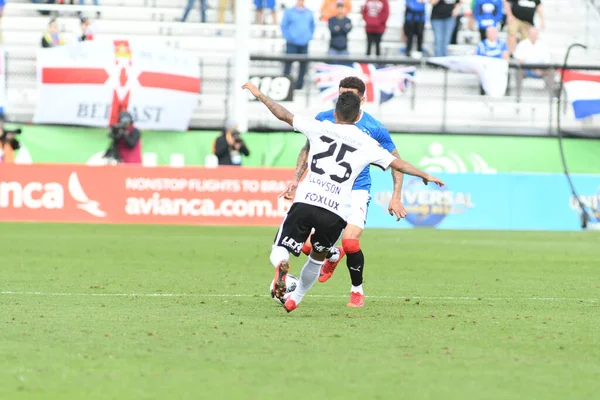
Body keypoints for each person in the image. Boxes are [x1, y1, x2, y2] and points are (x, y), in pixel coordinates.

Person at [242, 82, 444, 313]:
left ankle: (281, 265)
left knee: (280, 247)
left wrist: (259, 94)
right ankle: (294, 299)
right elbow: (397, 162)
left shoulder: (320, 126)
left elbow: (283, 114)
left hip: (307, 201)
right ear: (358, 113)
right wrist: (424, 174)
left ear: (336, 111)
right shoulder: (367, 142)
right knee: (316, 259)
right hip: (336, 210)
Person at [281, 77, 406, 308]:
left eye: (350, 95)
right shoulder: (324, 118)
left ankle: (356, 290)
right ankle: (331, 255)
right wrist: (296, 180)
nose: (344, 99)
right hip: (326, 189)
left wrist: (396, 195)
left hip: (357, 190)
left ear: (363, 99)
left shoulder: (375, 128)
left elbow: (396, 161)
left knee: (350, 243)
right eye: (341, 94)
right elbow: (308, 149)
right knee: (307, 246)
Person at [280, 0, 315, 90]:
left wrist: (308, 37)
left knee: (303, 66)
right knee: (288, 64)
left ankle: (299, 86)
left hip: (304, 43)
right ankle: (285, 86)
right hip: (292, 43)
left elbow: (312, 26)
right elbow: (284, 25)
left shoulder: (309, 12)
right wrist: (288, 37)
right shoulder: (289, 12)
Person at [514, 26, 555, 96]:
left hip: (540, 69)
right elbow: (518, 59)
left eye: (535, 34)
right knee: (518, 71)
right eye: (532, 34)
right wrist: (532, 69)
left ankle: (550, 95)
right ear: (528, 34)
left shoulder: (543, 45)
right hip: (526, 69)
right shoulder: (522, 44)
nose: (533, 36)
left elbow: (547, 61)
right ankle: (518, 95)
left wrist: (539, 69)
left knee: (551, 71)